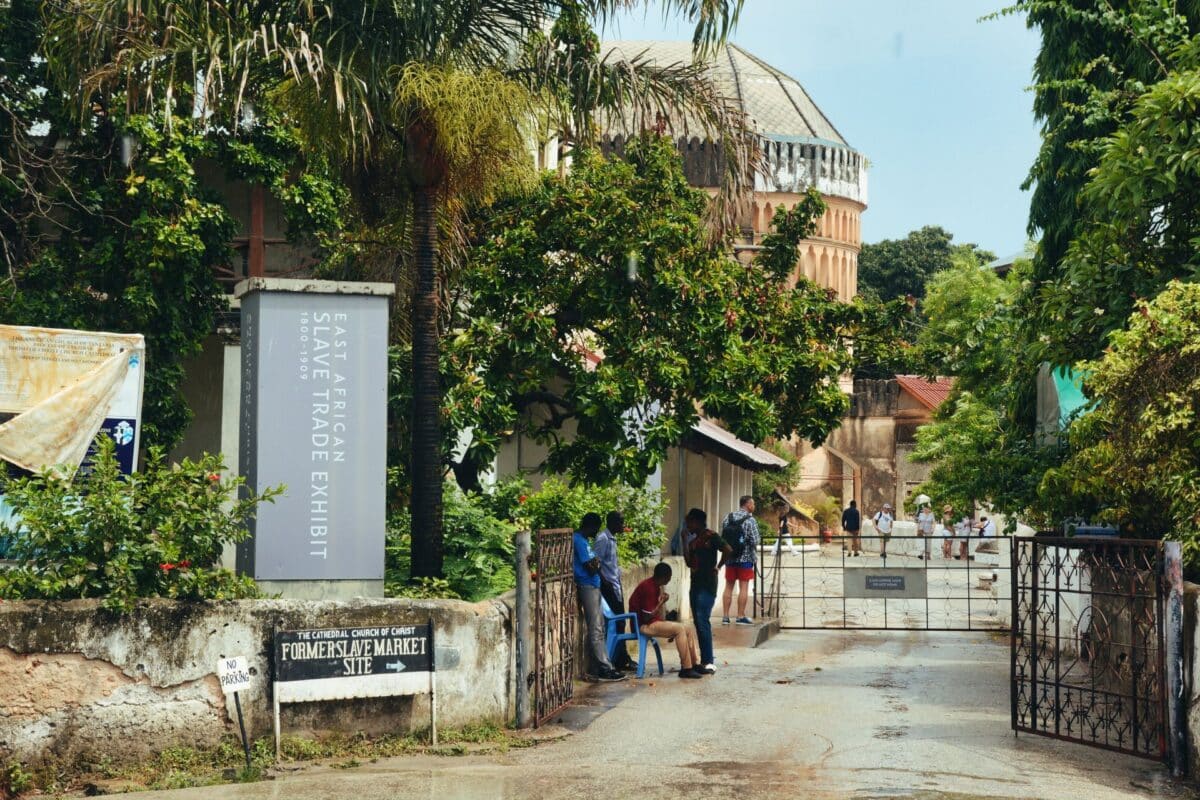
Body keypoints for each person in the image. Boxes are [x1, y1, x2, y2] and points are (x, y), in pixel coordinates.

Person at [572, 512, 625, 682]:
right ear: (591, 526)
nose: (597, 532)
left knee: (600, 627)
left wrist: (596, 564)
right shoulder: (579, 541)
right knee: (596, 628)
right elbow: (591, 565)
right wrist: (596, 564)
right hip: (587, 585)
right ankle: (604, 668)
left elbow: (596, 563)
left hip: (594, 585)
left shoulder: (584, 541)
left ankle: (603, 664)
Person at [628, 562, 704, 679]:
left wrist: (668, 628)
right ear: (664, 576)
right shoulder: (648, 587)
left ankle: (695, 664)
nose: (670, 579)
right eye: (669, 576)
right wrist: (661, 603)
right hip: (643, 625)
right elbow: (647, 617)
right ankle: (686, 668)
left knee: (687, 628)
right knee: (679, 629)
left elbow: (657, 617)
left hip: (652, 622)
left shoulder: (655, 586)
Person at [684, 508, 731, 674]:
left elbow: (728, 549)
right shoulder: (693, 541)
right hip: (695, 584)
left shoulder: (711, 536)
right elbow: (689, 563)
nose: (687, 524)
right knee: (698, 621)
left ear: (696, 521)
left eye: (689, 521)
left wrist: (718, 566)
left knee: (703, 621)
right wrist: (684, 541)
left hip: (707, 585)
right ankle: (704, 659)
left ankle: (708, 660)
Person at [594, 511, 635, 671]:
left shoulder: (611, 538)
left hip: (616, 586)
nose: (622, 525)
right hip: (608, 587)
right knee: (616, 623)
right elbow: (596, 563)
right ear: (612, 522)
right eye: (620, 522)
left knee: (620, 623)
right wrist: (606, 584)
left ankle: (622, 658)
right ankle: (617, 660)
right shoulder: (602, 539)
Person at [720, 495, 760, 625]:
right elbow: (756, 540)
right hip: (745, 558)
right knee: (744, 587)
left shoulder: (728, 517)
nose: (754, 506)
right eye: (753, 504)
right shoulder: (750, 520)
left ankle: (725, 617)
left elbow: (723, 537)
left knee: (728, 586)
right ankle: (740, 616)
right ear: (748, 504)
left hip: (730, 558)